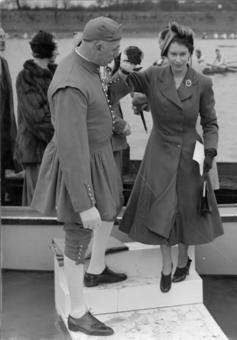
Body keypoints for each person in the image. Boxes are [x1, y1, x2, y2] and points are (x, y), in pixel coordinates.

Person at [32, 17, 132, 336]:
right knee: (79, 232)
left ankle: (97, 268)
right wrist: (83, 202)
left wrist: (113, 122)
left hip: (100, 155)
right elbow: (72, 150)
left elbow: (98, 91)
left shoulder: (87, 56)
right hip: (82, 163)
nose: (115, 57)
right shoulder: (70, 85)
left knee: (109, 211)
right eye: (113, 50)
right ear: (98, 46)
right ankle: (78, 312)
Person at [119, 22, 224, 293]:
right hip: (160, 149)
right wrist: (121, 66)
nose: (178, 60)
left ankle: (182, 260)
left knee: (188, 209)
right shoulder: (153, 74)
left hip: (193, 151)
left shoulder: (203, 82)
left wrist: (210, 150)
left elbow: (210, 122)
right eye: (173, 54)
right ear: (165, 53)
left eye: (183, 55)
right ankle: (165, 264)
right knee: (161, 207)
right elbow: (123, 84)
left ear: (190, 54)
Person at [14, 30, 58, 206]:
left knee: (51, 201)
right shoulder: (26, 77)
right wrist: (61, 139)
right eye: (56, 47)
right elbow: (37, 118)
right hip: (36, 150)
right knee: (37, 202)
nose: (59, 51)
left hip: (54, 149)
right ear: (48, 50)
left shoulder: (56, 73)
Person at [0, 28, 18, 204]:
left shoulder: (3, 63)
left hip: (4, 137)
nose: (3, 39)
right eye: (0, 37)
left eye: (4, 36)